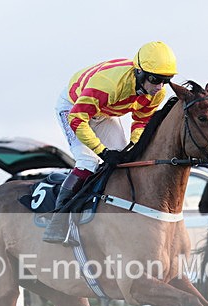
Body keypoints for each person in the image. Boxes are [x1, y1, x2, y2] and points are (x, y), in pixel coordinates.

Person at [43, 41, 178, 245]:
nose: (159, 87)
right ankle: (58, 221)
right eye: (154, 79)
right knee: (88, 162)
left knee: (124, 162)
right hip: (74, 108)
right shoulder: (108, 85)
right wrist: (102, 152)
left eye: (165, 81)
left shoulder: (156, 92)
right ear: (139, 73)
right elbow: (77, 120)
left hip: (104, 112)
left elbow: (141, 120)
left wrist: (133, 145)